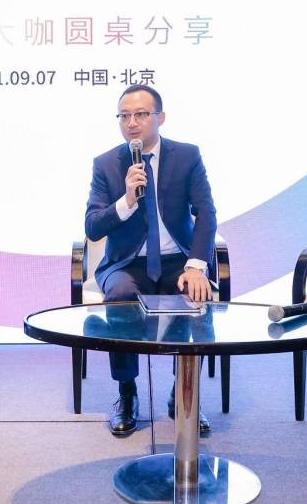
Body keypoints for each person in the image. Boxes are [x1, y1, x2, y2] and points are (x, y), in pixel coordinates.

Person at [85, 84, 218, 437]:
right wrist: (127, 200)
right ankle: (127, 393)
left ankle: (183, 393)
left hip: (178, 260)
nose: (132, 123)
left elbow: (206, 213)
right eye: (124, 116)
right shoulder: (106, 164)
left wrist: (196, 265)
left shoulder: (187, 156)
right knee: (120, 295)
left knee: (195, 295)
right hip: (127, 263)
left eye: (141, 114)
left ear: (160, 117)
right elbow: (93, 227)